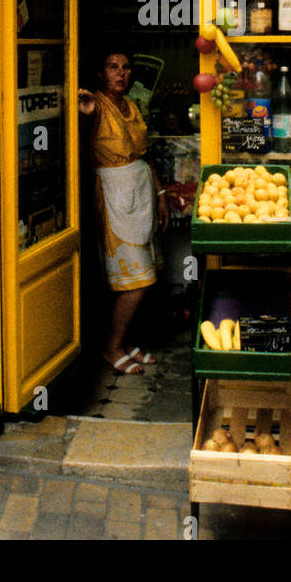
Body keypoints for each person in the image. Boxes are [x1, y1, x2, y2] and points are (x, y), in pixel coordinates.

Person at [79, 49, 168, 375]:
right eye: (112, 67)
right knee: (134, 282)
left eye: (126, 67)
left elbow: (145, 154)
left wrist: (160, 194)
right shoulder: (94, 104)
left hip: (141, 192)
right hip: (114, 196)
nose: (121, 73)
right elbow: (81, 129)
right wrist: (84, 113)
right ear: (100, 73)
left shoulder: (131, 106)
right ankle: (111, 346)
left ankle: (126, 342)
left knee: (145, 277)